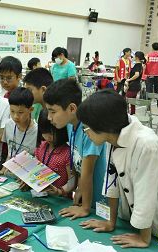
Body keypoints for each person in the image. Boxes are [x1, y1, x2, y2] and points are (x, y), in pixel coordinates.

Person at [78, 89, 158, 249]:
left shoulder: (146, 144)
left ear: (104, 126)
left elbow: (146, 194)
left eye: (86, 127)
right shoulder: (112, 137)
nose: (85, 133)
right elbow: (112, 182)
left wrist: (144, 239)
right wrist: (110, 221)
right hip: (148, 223)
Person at [43, 79, 106, 219]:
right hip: (84, 197)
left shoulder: (90, 129)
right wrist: (77, 188)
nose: (49, 117)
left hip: (100, 202)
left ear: (72, 108)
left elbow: (88, 172)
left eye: (53, 111)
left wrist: (85, 208)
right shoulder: (71, 124)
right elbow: (77, 162)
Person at [0, 87, 38, 175]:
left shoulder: (37, 132)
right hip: (9, 174)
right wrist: (2, 170)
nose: (15, 116)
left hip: (26, 177)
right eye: (12, 111)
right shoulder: (9, 125)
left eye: (20, 112)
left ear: (30, 110)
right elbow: (11, 152)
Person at [36, 109, 75, 197]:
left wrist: (59, 191)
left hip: (61, 199)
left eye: (51, 133)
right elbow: (34, 171)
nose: (47, 137)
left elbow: (72, 181)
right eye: (44, 133)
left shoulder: (67, 153)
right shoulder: (41, 147)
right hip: (41, 195)